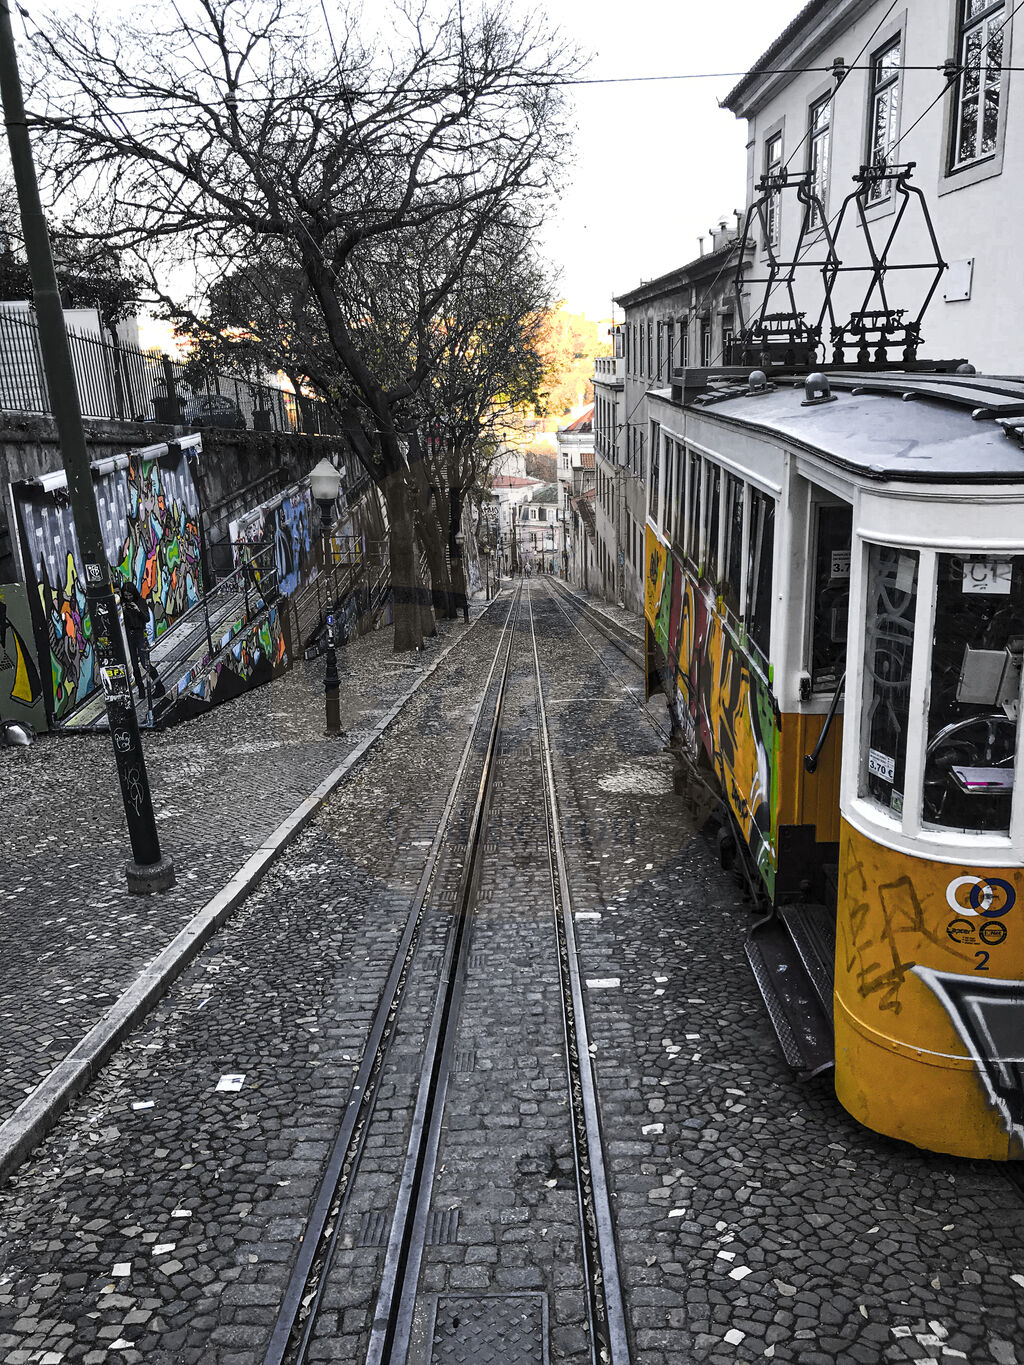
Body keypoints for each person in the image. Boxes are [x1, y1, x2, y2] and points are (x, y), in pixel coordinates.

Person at [119, 575, 159, 696]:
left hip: (139, 633)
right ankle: (141, 689)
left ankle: (158, 685)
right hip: (128, 635)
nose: (128, 598)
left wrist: (137, 610)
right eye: (126, 596)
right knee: (134, 665)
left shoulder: (140, 602)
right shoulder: (123, 604)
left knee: (144, 662)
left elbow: (146, 618)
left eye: (130, 595)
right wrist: (123, 610)